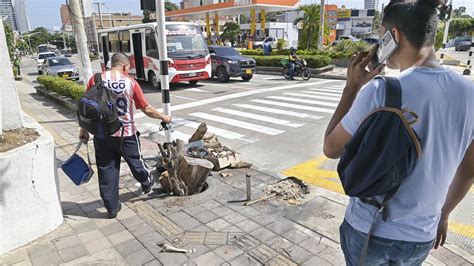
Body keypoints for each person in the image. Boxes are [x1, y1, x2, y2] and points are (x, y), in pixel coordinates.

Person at [323, 0, 473, 265]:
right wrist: (444, 214)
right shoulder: (470, 93)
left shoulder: (381, 90)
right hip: (422, 237)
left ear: (395, 36)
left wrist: (352, 87)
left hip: (371, 232)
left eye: (382, 37)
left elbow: (331, 148)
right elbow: (468, 170)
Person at [79, 53, 172, 219]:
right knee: (136, 162)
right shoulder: (130, 82)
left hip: (102, 135)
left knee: (107, 170)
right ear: (123, 66)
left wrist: (84, 130)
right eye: (128, 68)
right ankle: (146, 183)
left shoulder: (96, 79)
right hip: (126, 134)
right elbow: (146, 108)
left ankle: (111, 207)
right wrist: (164, 117)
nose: (129, 71)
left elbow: (87, 107)